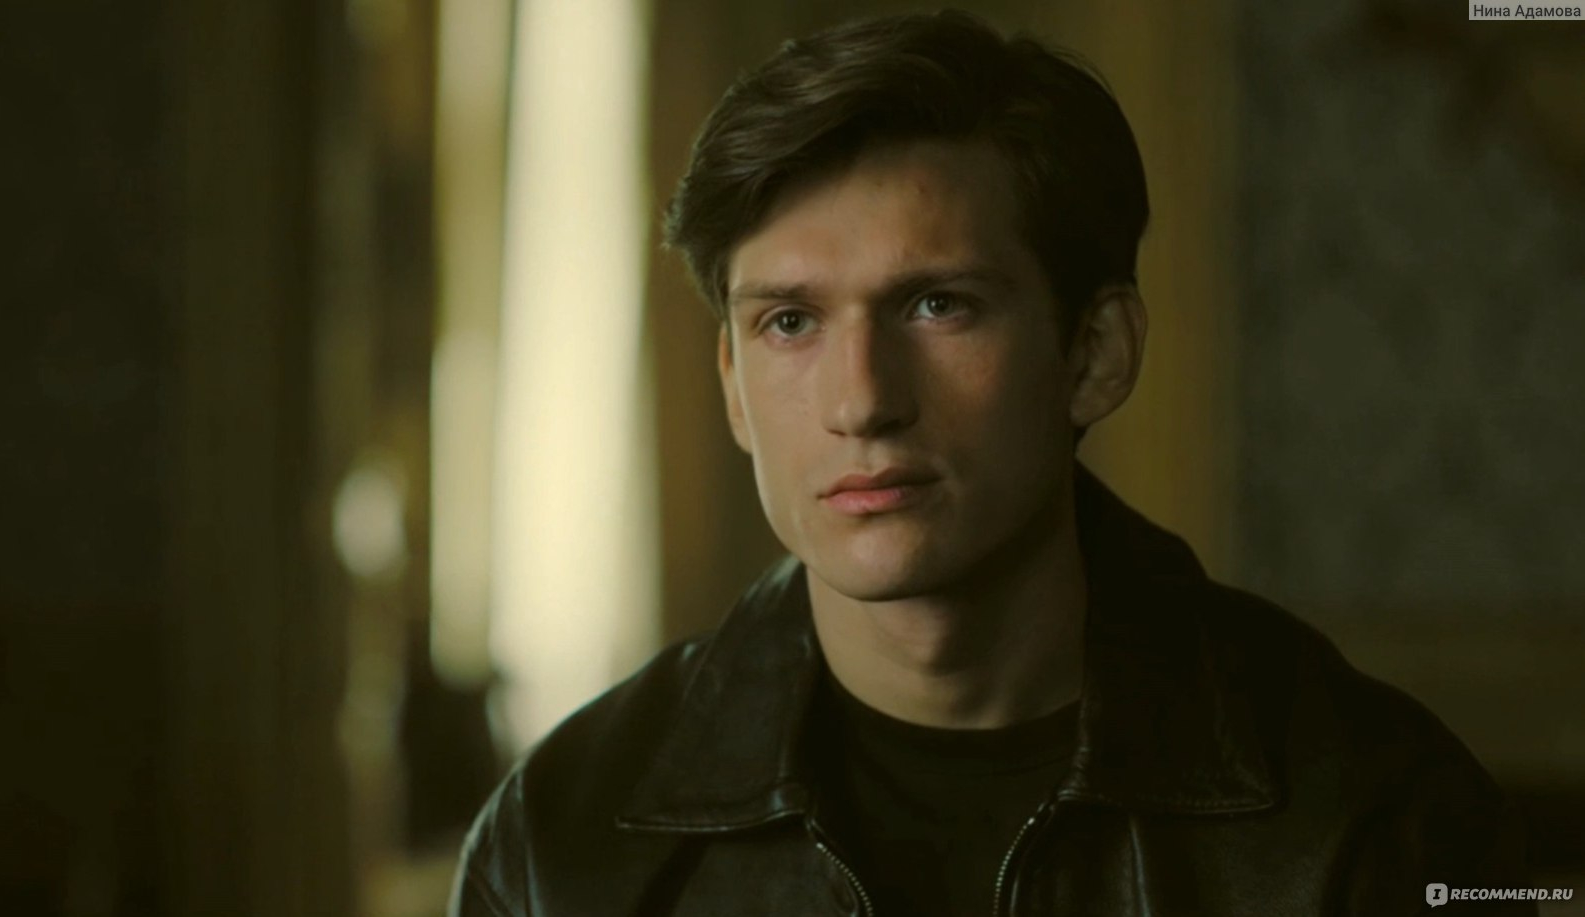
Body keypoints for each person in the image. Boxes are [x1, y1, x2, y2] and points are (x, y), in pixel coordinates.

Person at [449, 10, 1533, 915]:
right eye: (790, 322)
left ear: (1093, 353)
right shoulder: (559, 842)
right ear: (733, 383)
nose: (862, 400)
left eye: (937, 305)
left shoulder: (1377, 815)